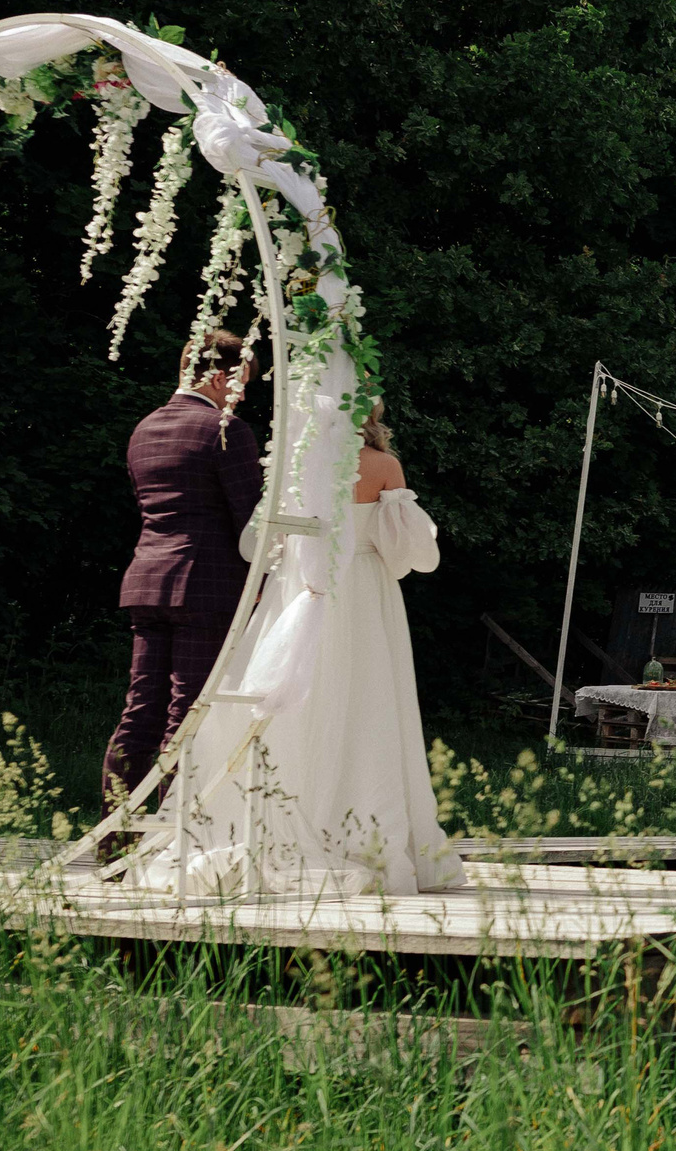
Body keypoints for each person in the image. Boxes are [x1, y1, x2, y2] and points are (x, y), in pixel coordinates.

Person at [142, 400, 465, 895]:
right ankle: (366, 837)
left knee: (288, 706)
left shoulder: (295, 466)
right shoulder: (382, 466)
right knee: (366, 705)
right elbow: (412, 555)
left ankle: (271, 817)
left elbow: (257, 548)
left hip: (297, 594)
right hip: (362, 595)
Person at [103, 335, 262, 801]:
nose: (243, 395)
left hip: (148, 582)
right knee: (188, 714)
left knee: (140, 712)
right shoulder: (227, 429)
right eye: (241, 382)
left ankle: (116, 837)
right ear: (218, 378)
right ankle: (170, 841)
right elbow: (250, 522)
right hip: (206, 587)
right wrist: (266, 582)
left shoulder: (144, 428)